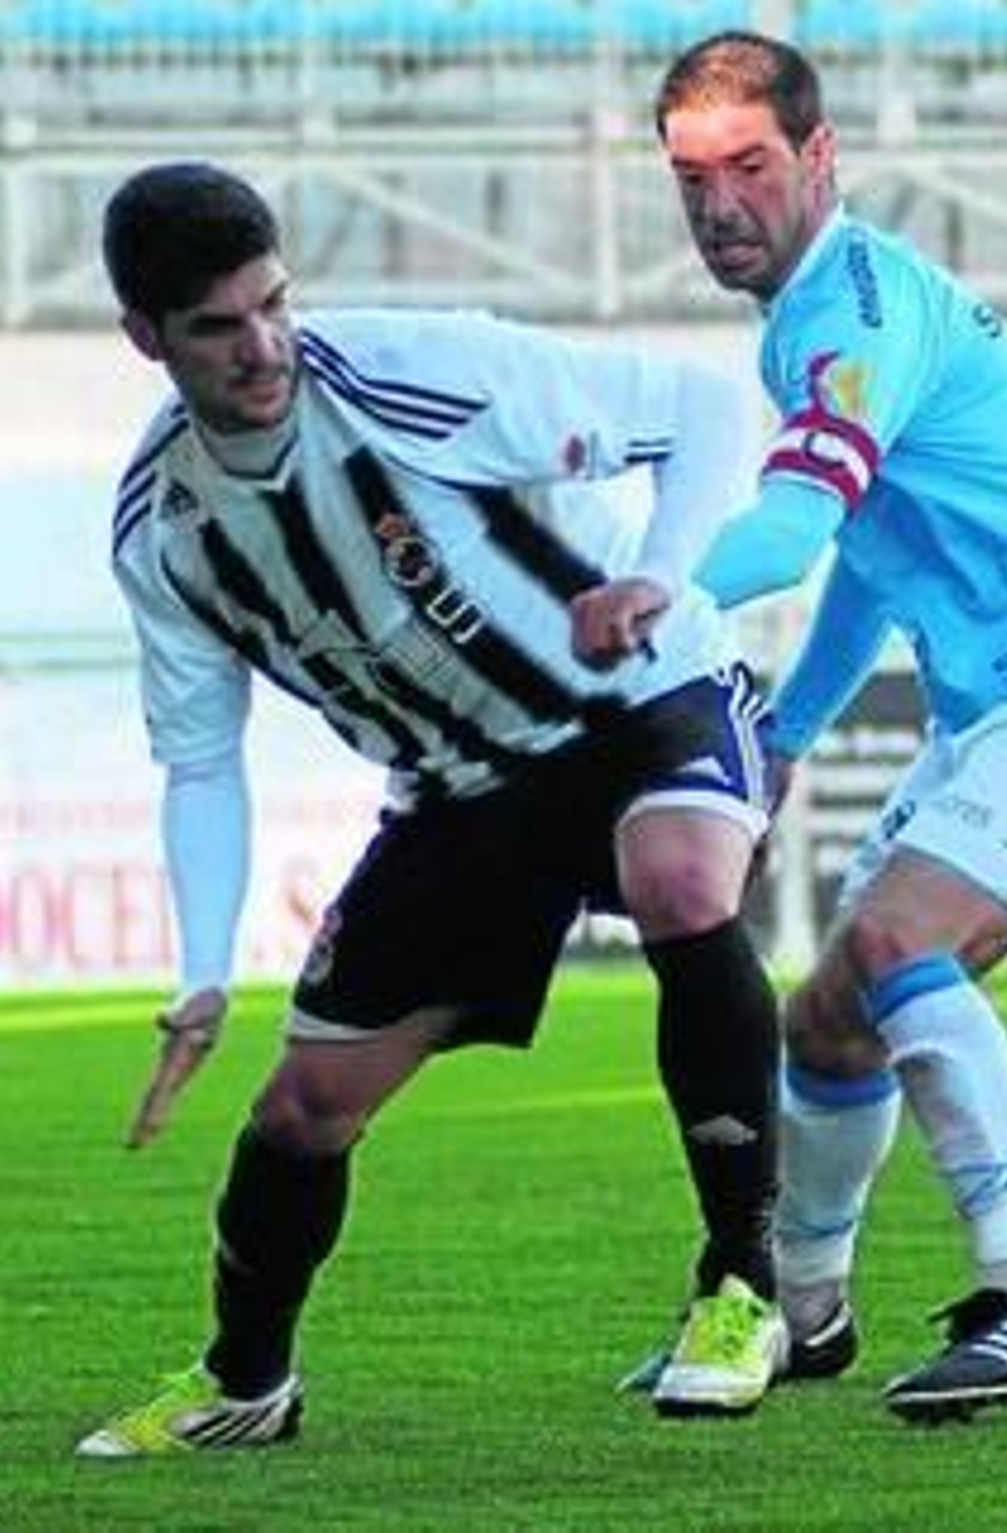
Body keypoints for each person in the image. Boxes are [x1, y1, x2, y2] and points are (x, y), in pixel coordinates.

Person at [75, 161, 788, 1456]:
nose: (264, 347)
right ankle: (246, 1381)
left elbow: (701, 405)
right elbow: (201, 761)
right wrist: (200, 972)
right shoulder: (165, 532)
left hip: (642, 697)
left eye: (274, 304)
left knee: (683, 880)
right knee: (304, 1109)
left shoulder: (418, 374)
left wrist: (655, 573)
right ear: (146, 338)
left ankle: (744, 1288)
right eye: (218, 328)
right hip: (462, 792)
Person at [578, 31, 1007, 1425]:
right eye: (691, 179)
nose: (719, 205)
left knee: (890, 947)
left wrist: (648, 595)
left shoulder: (853, 314)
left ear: (820, 157)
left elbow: (792, 531)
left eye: (750, 167)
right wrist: (789, 729)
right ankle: (805, 1314)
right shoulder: (814, 317)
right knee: (828, 1020)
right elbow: (867, 556)